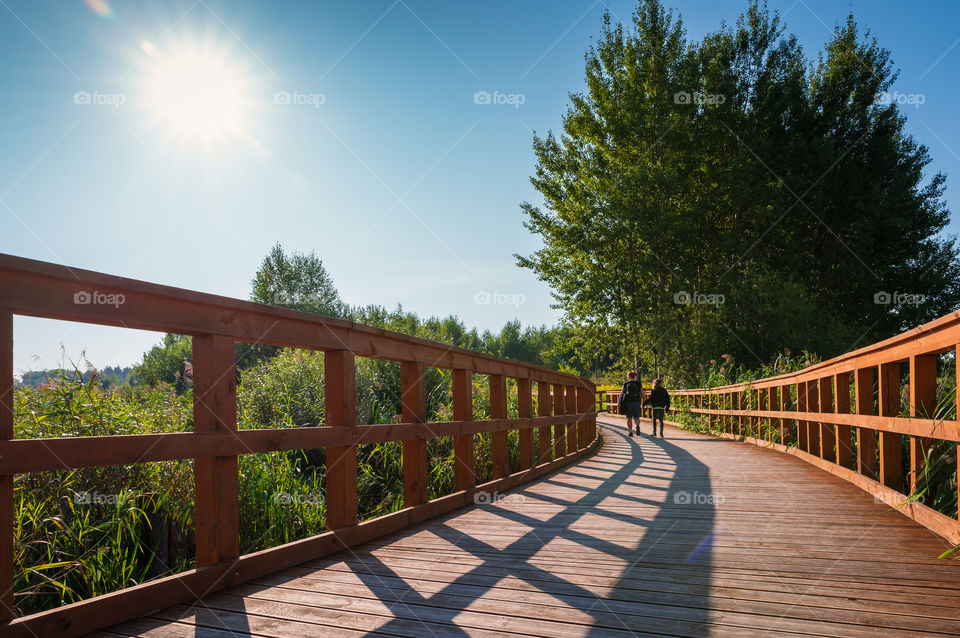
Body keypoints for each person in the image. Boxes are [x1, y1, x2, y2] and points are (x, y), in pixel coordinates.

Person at [618, 371, 645, 437]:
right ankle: (637, 425)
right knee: (636, 417)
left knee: (629, 417)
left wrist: (619, 402)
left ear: (629, 376)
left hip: (628, 402)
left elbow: (621, 393)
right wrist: (645, 401)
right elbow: (642, 393)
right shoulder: (638, 383)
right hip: (637, 402)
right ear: (634, 376)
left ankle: (630, 432)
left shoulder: (626, 383)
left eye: (627, 376)